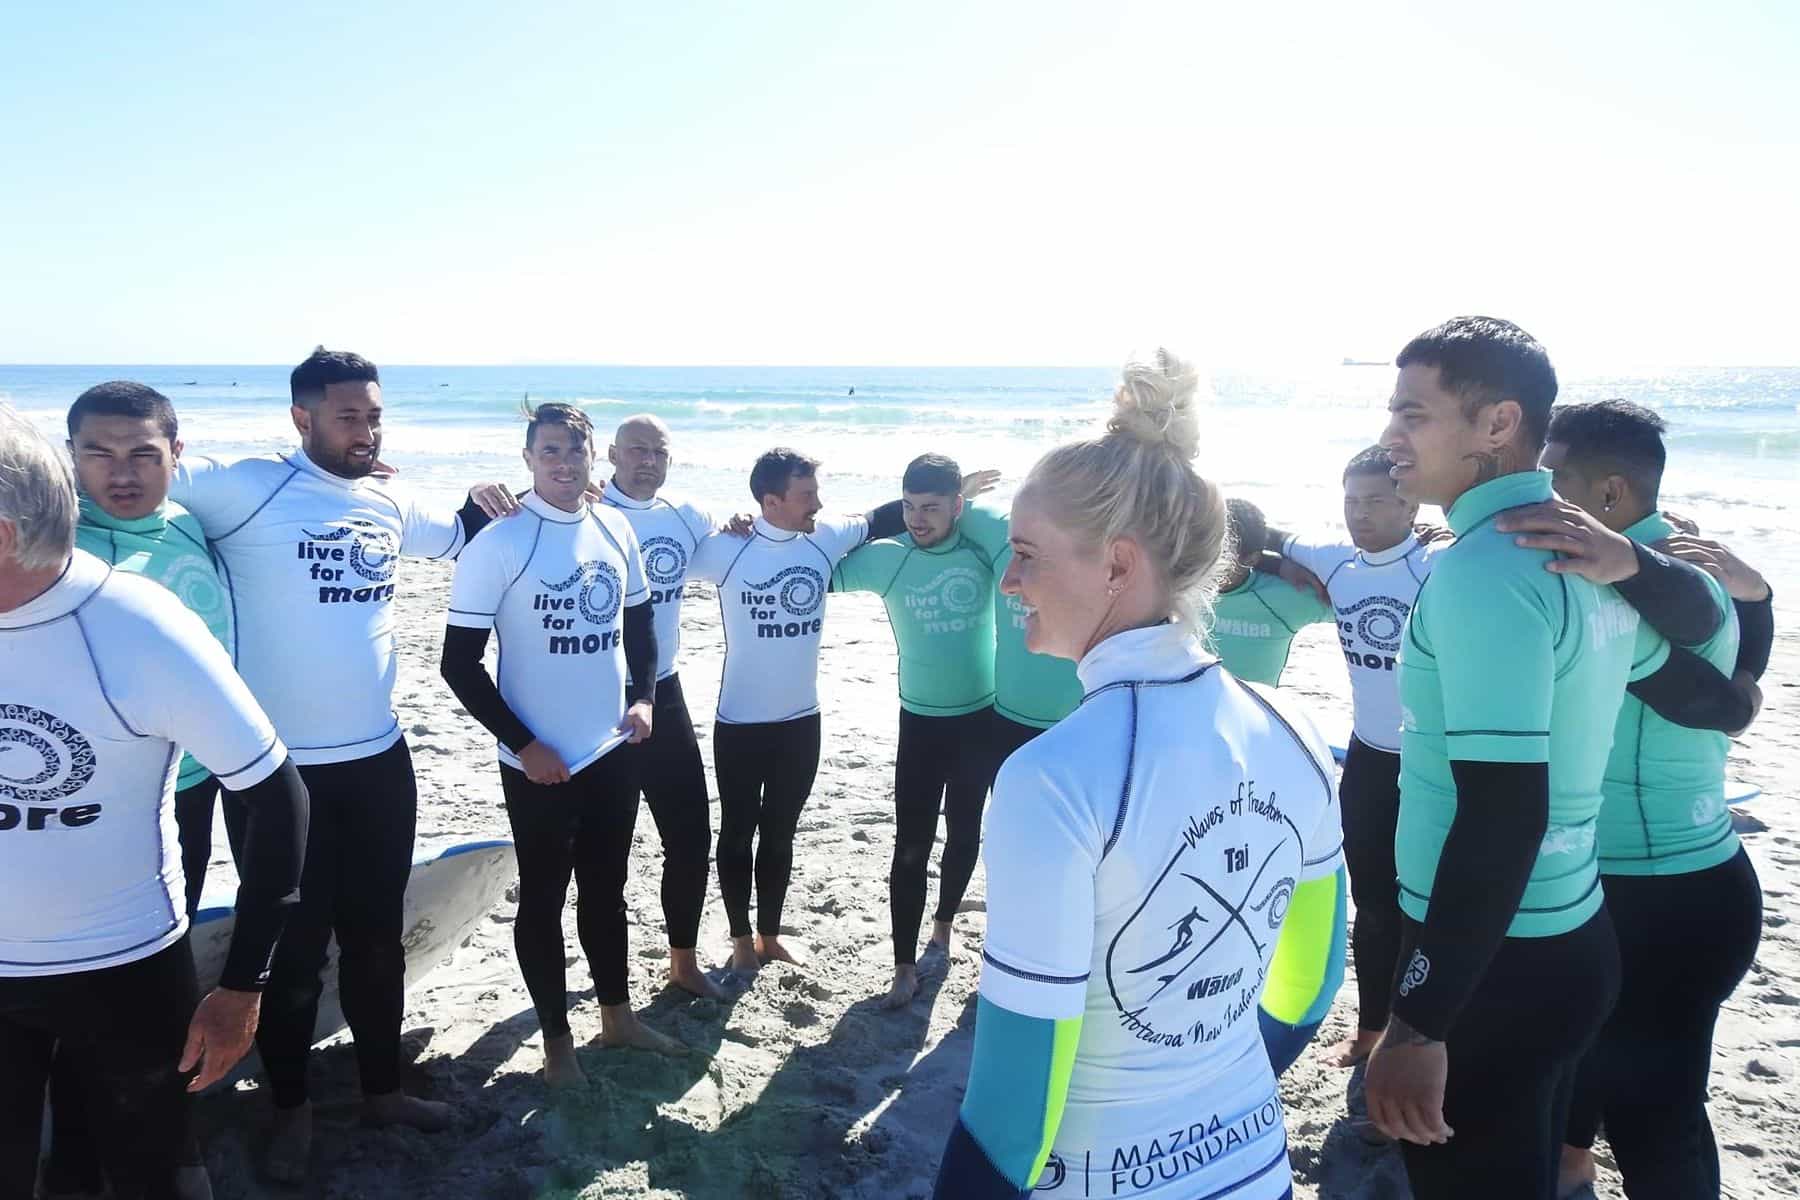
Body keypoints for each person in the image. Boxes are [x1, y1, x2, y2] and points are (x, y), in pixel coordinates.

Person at [933, 351, 1343, 1200]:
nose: (1009, 580)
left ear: (1118, 565)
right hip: (1256, 1168)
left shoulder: (1054, 779)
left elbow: (1016, 1106)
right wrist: (1201, 1085)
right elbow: (1310, 985)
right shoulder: (1296, 727)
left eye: (1026, 554)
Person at [166, 348, 515, 1182]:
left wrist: (502, 497)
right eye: (349, 416)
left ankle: (382, 1089)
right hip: (273, 775)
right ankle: (291, 1109)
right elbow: (131, 473)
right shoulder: (243, 486)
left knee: (376, 939)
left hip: (380, 760)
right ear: (302, 418)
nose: (366, 431)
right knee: (291, 951)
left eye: (375, 416)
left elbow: (459, 532)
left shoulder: (389, 497)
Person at [1362, 316, 1670, 1198]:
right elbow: (1706, 693)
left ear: (1497, 424)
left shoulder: (1487, 571)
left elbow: (1503, 813)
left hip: (1493, 960)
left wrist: (1418, 1024)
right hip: (1576, 935)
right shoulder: (1583, 557)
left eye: (1412, 414)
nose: (1390, 434)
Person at [0, 406, 308, 1200]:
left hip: (124, 971)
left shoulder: (137, 628)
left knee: (145, 1173)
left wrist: (242, 989)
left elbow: (277, 798)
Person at [1526, 401, 1766, 1198]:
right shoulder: (1599, 567)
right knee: (1580, 1072)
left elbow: (1704, 687)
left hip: (1673, 894)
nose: (1535, 487)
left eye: (1551, 475)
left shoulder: (1675, 578)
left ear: (1611, 495)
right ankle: (1570, 1169)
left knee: (1657, 1121)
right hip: (1612, 882)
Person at [441, 403, 680, 1086]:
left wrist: (643, 699)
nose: (564, 464)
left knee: (607, 890)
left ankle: (618, 1016)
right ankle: (556, 1044)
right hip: (537, 760)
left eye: (575, 452)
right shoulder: (500, 541)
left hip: (609, 749)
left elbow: (641, 631)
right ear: (528, 459)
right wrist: (524, 744)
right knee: (543, 897)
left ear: (591, 457)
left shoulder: (613, 527)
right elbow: (458, 665)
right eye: (550, 451)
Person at [1254, 445, 1446, 1069]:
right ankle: (1369, 1031)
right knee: (1371, 899)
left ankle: (1420, 1031)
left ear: (1410, 502)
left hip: (1435, 765)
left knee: (1426, 903)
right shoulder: (1337, 561)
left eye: (1377, 501)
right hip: (1368, 759)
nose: (1361, 514)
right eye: (1351, 501)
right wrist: (1272, 563)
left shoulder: (1439, 564)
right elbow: (1264, 533)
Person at [688, 450, 903, 974]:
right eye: (807, 496)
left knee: (781, 830)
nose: (819, 504)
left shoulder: (824, 538)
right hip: (739, 721)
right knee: (738, 830)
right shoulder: (726, 550)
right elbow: (654, 550)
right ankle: (740, 940)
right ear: (772, 501)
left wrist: (949, 492)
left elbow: (882, 518)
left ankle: (768, 935)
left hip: (801, 721)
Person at [831, 453, 1003, 1008]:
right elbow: (817, 561)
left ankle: (945, 925)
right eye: (908, 507)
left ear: (958, 506)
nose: (917, 520)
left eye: (931, 508)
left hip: (981, 718)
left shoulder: (982, 555)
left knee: (964, 833)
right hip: (920, 724)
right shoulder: (889, 559)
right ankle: (904, 965)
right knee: (909, 845)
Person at [600, 415, 725, 1000]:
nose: (648, 460)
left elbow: (738, 537)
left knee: (691, 834)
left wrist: (745, 521)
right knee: (606, 854)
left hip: (663, 691)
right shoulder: (586, 510)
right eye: (636, 450)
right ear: (611, 454)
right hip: (596, 700)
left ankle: (682, 960)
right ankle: (612, 992)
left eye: (659, 451)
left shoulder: (685, 516)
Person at [1206, 498, 1333, 687]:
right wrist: (1275, 564)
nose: (1206, 560)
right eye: (1205, 546)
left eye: (1222, 555)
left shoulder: (1288, 595)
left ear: (1251, 559)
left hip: (1253, 712)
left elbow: (1356, 601)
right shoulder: (1182, 587)